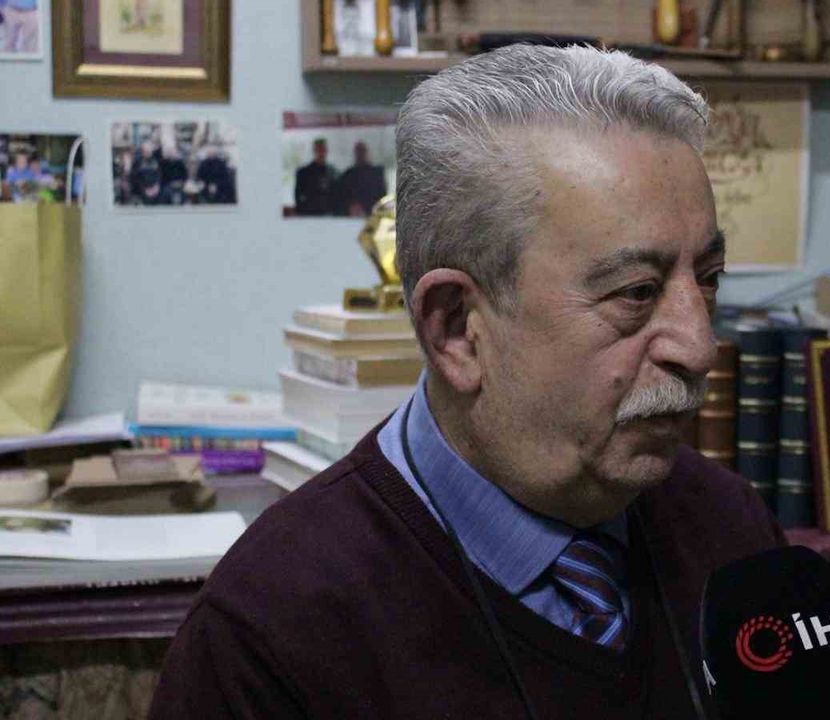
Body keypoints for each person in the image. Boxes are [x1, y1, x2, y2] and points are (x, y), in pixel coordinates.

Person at [149, 45, 785, 719]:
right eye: (636, 292)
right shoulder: (270, 632)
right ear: (456, 328)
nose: (700, 347)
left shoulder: (730, 528)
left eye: (707, 280)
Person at [337, 140, 387, 216]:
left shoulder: (377, 174)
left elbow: (382, 197)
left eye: (362, 151)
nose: (360, 154)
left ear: (367, 152)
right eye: (358, 151)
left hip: (372, 216)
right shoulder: (348, 175)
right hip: (351, 219)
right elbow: (341, 198)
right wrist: (350, 207)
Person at [293, 137, 339, 215]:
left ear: (327, 151)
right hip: (309, 215)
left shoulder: (334, 172)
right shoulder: (303, 173)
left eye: (323, 149)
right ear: (314, 151)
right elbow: (298, 198)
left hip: (329, 215)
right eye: (319, 149)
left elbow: (337, 196)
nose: (321, 152)